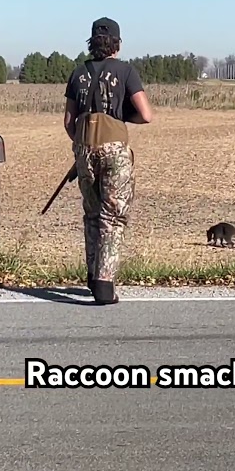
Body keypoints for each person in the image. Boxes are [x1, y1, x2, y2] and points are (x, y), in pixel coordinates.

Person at [62, 17, 154, 305]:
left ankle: (92, 277)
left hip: (84, 148)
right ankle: (104, 284)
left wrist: (84, 145)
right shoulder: (126, 71)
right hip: (115, 148)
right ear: (117, 43)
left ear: (92, 42)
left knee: (91, 214)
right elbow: (146, 114)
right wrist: (119, 118)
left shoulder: (78, 73)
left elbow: (68, 122)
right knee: (112, 217)